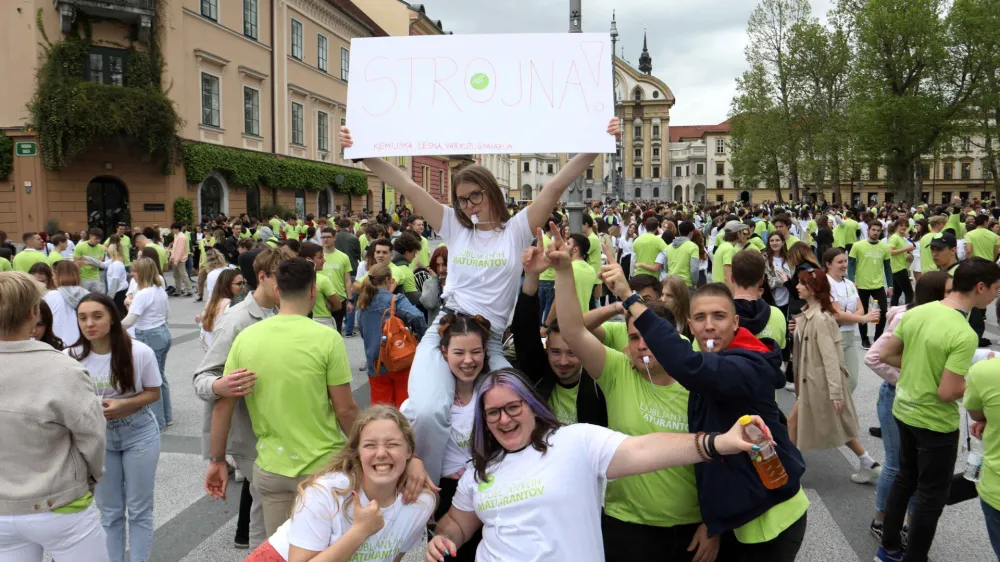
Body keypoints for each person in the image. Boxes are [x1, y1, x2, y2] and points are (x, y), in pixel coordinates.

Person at [340, 116, 621, 485]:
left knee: (517, 406)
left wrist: (594, 146)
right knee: (425, 410)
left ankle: (506, 483)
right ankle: (428, 483)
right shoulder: (454, 227)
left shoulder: (517, 230)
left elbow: (555, 187)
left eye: (476, 195)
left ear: (491, 191)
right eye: (462, 199)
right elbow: (406, 184)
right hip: (445, 331)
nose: (471, 205)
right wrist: (365, 155)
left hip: (488, 340)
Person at [426, 369, 772, 562]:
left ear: (532, 405)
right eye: (493, 413)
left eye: (513, 407)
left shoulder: (574, 441)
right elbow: (458, 523)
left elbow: (643, 449)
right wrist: (443, 538)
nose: (504, 419)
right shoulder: (479, 471)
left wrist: (718, 442)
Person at [603, 264, 809, 561]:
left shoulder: (747, 364)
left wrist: (628, 297)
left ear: (736, 322)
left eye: (719, 316)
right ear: (689, 325)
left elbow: (691, 367)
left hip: (770, 520)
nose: (709, 325)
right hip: (738, 517)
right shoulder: (711, 358)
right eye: (700, 318)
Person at [551, 236, 708, 562]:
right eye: (634, 337)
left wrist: (714, 525)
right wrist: (564, 273)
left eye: (649, 337)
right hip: (628, 524)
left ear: (673, 340)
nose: (640, 345)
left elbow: (721, 460)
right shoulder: (618, 371)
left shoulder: (700, 379)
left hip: (691, 528)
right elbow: (572, 331)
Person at [206, 258, 363, 536]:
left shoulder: (247, 338)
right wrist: (363, 451)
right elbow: (346, 410)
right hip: (322, 467)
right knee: (327, 548)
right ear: (313, 292)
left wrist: (217, 460)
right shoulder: (327, 338)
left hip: (271, 467)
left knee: (279, 548)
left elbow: (223, 407)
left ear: (277, 291)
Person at [875, 257, 1000, 562]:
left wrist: (923, 368)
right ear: (980, 287)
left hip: (904, 409)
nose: (996, 296)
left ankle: (888, 548)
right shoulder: (963, 332)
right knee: (931, 496)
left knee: (905, 478)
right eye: (995, 289)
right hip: (935, 422)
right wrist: (977, 382)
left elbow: (888, 354)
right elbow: (947, 391)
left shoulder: (920, 312)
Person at [0, 271, 109, 562]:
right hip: (59, 502)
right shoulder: (62, 369)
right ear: (34, 312)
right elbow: (92, 437)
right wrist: (91, 478)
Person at [193, 247, 293, 551]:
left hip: (276, 430)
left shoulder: (282, 312)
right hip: (247, 434)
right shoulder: (236, 320)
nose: (286, 289)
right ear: (261, 277)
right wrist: (220, 384)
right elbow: (202, 378)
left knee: (267, 509)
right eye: (280, 281)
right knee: (269, 506)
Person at [244, 406, 436, 562]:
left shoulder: (420, 503)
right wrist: (361, 530)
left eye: (392, 444)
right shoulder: (326, 491)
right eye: (370, 445)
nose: (381, 453)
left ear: (410, 451)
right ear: (357, 452)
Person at [67, 293, 162, 562]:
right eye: (82, 317)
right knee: (109, 512)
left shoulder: (139, 352)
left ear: (112, 318)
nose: (89, 324)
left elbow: (154, 393)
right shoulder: (69, 356)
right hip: (98, 438)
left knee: (139, 509)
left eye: (97, 316)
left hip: (139, 432)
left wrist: (124, 405)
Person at [864, 271, 950, 543]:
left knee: (916, 468)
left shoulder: (941, 317)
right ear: (935, 295)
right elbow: (874, 357)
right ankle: (881, 521)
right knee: (897, 465)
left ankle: (910, 524)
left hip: (921, 400)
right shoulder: (906, 317)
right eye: (949, 292)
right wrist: (909, 377)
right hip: (896, 395)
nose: (954, 297)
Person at [787, 267, 880, 484]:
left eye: (803, 283)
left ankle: (789, 471)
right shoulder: (813, 314)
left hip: (817, 383)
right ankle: (868, 462)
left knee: (793, 422)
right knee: (839, 424)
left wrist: (836, 392)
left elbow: (830, 357)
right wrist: (797, 330)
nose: (798, 287)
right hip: (816, 382)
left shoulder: (819, 318)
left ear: (813, 289)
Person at [515, 239, 607, 427]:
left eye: (572, 352)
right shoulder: (540, 375)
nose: (563, 362)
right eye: (555, 352)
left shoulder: (602, 386)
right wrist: (531, 277)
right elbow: (523, 332)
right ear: (546, 348)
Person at [358, 263, 428, 407]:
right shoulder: (395, 300)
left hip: (375, 363)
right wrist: (421, 338)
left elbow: (362, 331)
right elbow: (417, 317)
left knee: (382, 412)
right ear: (388, 278)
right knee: (404, 407)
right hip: (399, 358)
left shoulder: (363, 303)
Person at [123, 258, 173, 431]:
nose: (132, 274)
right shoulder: (159, 289)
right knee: (161, 377)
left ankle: (159, 423)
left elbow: (130, 320)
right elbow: (167, 313)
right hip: (163, 332)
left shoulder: (143, 294)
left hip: (149, 335)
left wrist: (112, 327)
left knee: (152, 381)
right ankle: (167, 417)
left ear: (142, 272)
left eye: (134, 271)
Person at [849, 220, 893, 348]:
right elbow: (851, 265)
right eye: (873, 230)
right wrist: (852, 280)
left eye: (878, 231)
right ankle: (864, 339)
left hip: (878, 285)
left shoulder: (884, 247)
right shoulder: (857, 245)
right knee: (863, 313)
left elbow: (888, 267)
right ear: (868, 230)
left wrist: (890, 285)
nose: (876, 233)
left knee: (883, 311)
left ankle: (878, 338)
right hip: (861, 285)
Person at [45, 260, 91, 346]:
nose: (52, 278)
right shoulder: (88, 295)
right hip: (82, 342)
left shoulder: (50, 296)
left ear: (58, 276)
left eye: (53, 275)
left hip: (57, 342)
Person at [318, 229, 354, 333]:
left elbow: (347, 280)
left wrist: (350, 300)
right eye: (323, 237)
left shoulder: (343, 257)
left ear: (334, 238)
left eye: (328, 237)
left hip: (339, 299)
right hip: (321, 300)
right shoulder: (317, 256)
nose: (325, 240)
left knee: (337, 331)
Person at [197, 268, 243, 348]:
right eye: (239, 284)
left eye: (244, 283)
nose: (243, 287)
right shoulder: (229, 305)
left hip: (212, 347)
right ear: (227, 285)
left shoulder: (213, 301)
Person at [887, 219, 915, 306]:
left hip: (898, 268)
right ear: (896, 227)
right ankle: (907, 313)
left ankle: (892, 311)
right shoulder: (895, 237)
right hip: (899, 269)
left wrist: (908, 256)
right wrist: (906, 249)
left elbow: (899, 253)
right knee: (909, 293)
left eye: (905, 226)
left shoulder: (901, 238)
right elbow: (890, 252)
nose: (904, 227)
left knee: (896, 294)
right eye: (901, 225)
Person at [420, 245, 448, 322]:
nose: (441, 269)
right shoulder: (428, 283)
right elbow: (430, 304)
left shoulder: (457, 284)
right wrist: (434, 279)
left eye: (444, 265)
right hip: (433, 331)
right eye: (437, 265)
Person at [74, 228, 107, 293]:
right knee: (83, 297)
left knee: (96, 297)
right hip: (83, 277)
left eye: (100, 239)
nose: (98, 241)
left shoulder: (101, 248)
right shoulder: (79, 246)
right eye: (96, 238)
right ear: (90, 236)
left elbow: (99, 263)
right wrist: (78, 279)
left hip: (96, 277)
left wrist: (87, 262)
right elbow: (76, 263)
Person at [104, 238, 129, 316]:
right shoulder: (112, 261)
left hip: (118, 292)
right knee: (120, 311)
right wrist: (87, 259)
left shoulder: (116, 264)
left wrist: (110, 297)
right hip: (118, 291)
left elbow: (115, 281)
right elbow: (101, 264)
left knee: (119, 312)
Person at [168, 223, 194, 297]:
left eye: (173, 229)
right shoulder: (178, 236)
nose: (172, 230)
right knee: (176, 275)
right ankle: (178, 290)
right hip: (177, 259)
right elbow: (175, 249)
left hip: (180, 259)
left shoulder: (181, 237)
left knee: (183, 275)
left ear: (176, 229)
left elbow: (179, 250)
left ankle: (189, 290)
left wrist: (175, 260)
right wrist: (172, 258)